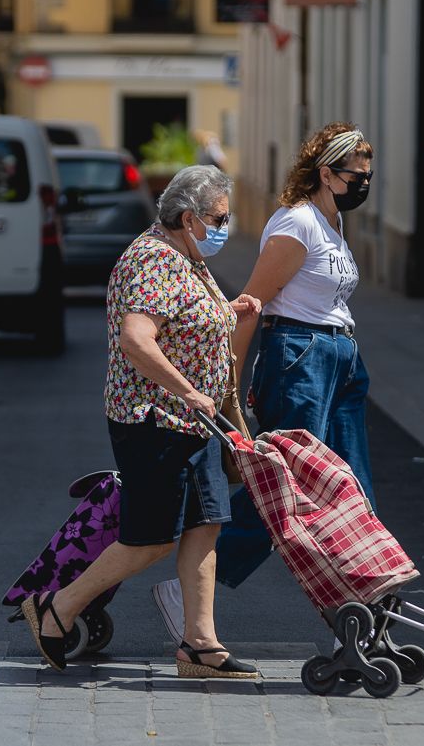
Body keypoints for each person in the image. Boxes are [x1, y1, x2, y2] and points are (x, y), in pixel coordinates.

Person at [20, 164, 263, 678]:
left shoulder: (187, 257)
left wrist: (229, 311)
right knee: (150, 537)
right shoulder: (153, 260)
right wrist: (189, 390)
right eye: (218, 217)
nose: (225, 225)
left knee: (206, 526)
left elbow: (188, 319)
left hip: (194, 423)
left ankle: (200, 646)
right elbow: (137, 338)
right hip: (155, 421)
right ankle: (56, 608)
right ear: (188, 217)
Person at [150, 123, 376, 643]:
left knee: (353, 490)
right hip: (300, 358)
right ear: (326, 173)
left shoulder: (333, 222)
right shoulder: (296, 226)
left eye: (367, 175)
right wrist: (228, 384)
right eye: (355, 175)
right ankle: (187, 588)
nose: (363, 184)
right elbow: (250, 304)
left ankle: (360, 605)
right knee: (285, 488)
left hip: (341, 358)